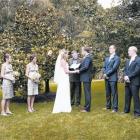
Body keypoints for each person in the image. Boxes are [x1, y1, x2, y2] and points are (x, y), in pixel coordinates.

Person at [53, 49, 77, 113]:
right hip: (63, 78)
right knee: (63, 91)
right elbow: (66, 71)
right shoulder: (63, 61)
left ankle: (64, 106)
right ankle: (62, 107)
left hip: (65, 78)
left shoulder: (64, 61)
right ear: (64, 55)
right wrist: (75, 71)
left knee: (65, 91)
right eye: (67, 54)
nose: (68, 55)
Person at [103, 45, 120, 112]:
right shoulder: (107, 58)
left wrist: (107, 74)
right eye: (109, 48)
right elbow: (104, 67)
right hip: (106, 78)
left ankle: (115, 108)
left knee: (114, 93)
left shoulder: (117, 58)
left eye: (111, 48)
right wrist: (104, 73)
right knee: (107, 93)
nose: (109, 49)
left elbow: (114, 68)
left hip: (113, 78)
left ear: (114, 49)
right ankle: (108, 106)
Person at [123, 46, 140, 118]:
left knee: (135, 97)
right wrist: (125, 76)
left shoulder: (138, 59)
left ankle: (137, 113)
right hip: (127, 81)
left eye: (129, 50)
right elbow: (125, 70)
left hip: (135, 81)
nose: (128, 52)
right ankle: (126, 110)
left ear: (134, 51)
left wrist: (128, 76)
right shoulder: (128, 60)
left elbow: (137, 71)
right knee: (127, 96)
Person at [77, 47, 93, 112]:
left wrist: (79, 70)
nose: (81, 52)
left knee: (87, 93)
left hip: (87, 77)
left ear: (85, 51)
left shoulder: (88, 57)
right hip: (85, 77)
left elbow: (86, 67)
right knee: (86, 92)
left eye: (82, 51)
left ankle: (87, 109)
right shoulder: (86, 57)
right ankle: (86, 106)